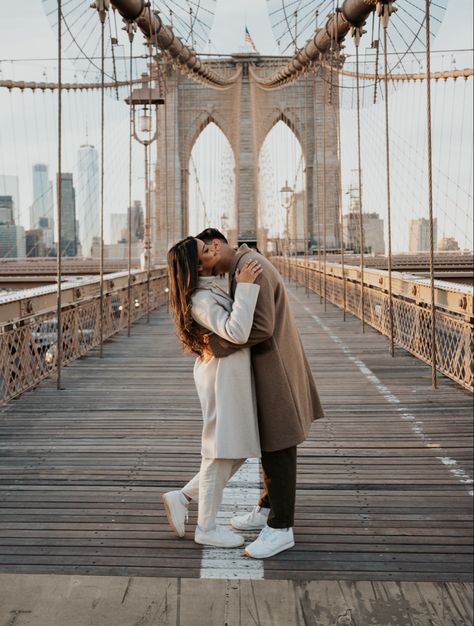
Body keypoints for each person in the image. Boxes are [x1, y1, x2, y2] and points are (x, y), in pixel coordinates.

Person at [195, 228, 324, 559]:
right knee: (270, 443)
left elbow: (262, 327)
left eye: (202, 259)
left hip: (275, 369)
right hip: (268, 367)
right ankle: (267, 509)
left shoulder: (251, 266)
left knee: (280, 446)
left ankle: (281, 528)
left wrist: (217, 345)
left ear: (215, 245)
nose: (203, 268)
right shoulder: (242, 266)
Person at [163, 236, 263, 548]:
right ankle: (206, 528)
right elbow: (236, 331)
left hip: (230, 376)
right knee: (219, 451)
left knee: (235, 451)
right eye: (206, 250)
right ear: (195, 266)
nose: (213, 250)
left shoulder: (211, 286)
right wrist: (246, 286)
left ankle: (182, 497)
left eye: (211, 245)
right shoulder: (200, 301)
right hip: (220, 379)